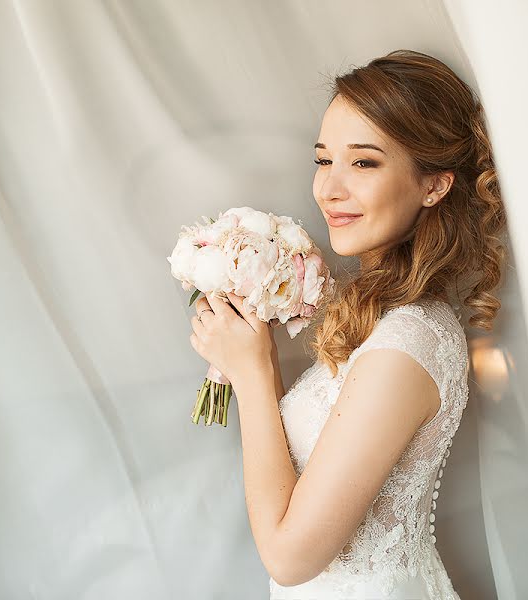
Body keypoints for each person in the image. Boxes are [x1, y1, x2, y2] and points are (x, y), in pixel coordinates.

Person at [189, 49, 507, 599]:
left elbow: (290, 558)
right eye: (323, 160)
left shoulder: (407, 343)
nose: (328, 189)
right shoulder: (381, 317)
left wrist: (253, 376)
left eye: (363, 163)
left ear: (433, 185)